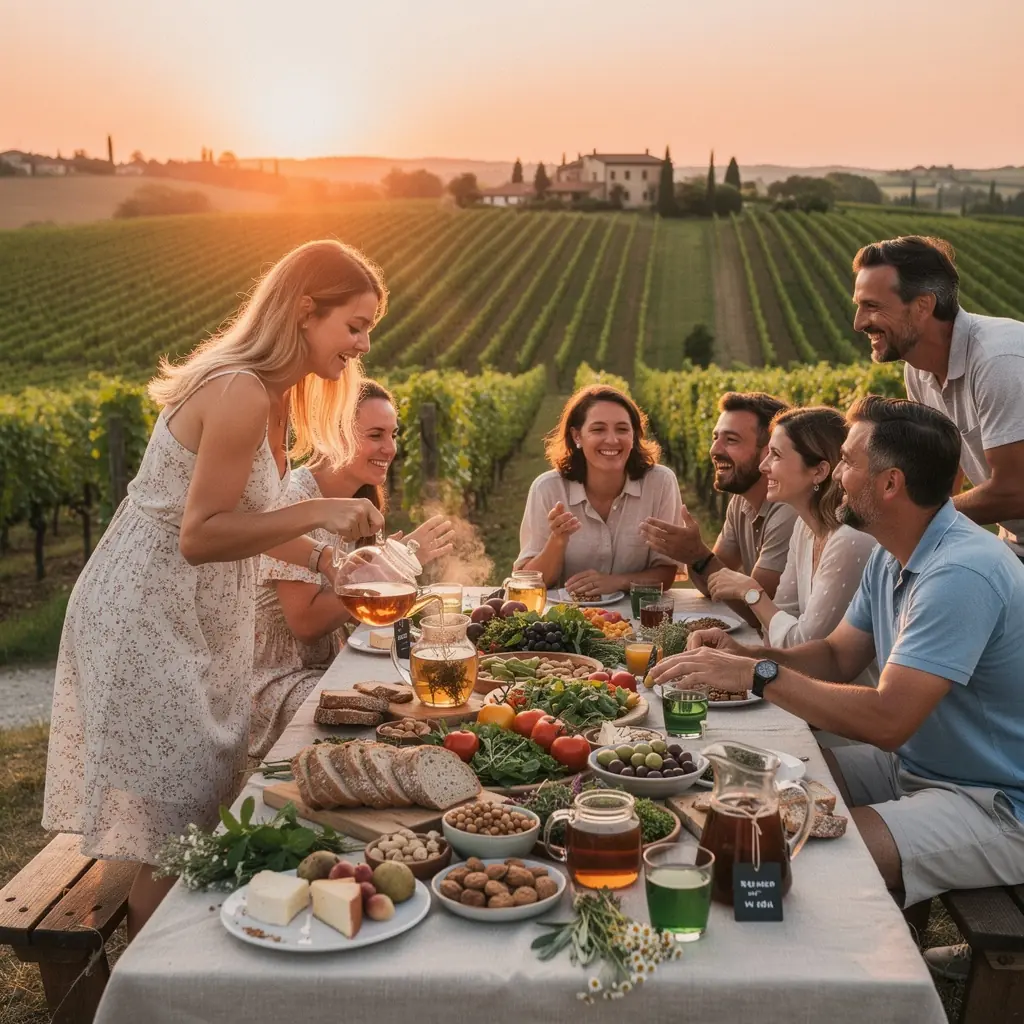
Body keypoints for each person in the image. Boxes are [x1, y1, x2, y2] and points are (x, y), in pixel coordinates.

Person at [43, 239, 389, 938]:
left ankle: (170, 971)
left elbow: (253, 523)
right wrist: (321, 514)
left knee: (200, 807)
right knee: (177, 830)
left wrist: (325, 564)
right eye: (354, 325)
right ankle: (150, 991)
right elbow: (199, 535)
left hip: (192, 610)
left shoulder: (274, 394)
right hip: (145, 612)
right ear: (303, 311)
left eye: (369, 330)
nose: (362, 344)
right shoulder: (236, 389)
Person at [648, 397, 1024, 972]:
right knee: (747, 787)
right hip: (919, 766)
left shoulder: (959, 573)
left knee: (806, 856)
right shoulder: (895, 549)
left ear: (891, 483)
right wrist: (749, 652)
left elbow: (888, 717)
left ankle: (818, 983)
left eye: (846, 461)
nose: (836, 474)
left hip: (993, 801)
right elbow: (835, 655)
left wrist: (757, 674)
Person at [249, 380, 456, 762]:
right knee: (386, 729)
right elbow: (306, 623)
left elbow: (358, 602)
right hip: (278, 678)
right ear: (333, 436)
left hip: (330, 663)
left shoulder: (360, 498)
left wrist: (386, 560)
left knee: (427, 704)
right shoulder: (298, 498)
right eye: (375, 435)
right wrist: (394, 561)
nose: (390, 448)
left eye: (392, 435)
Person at [853, 234, 1024, 562]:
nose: (859, 323)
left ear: (922, 306)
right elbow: (940, 474)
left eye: (872, 306)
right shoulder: (918, 370)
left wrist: (911, 517)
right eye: (859, 306)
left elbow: (1016, 491)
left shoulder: (997, 361)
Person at [702, 406, 878, 689]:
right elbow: (778, 628)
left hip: (841, 714)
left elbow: (801, 645)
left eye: (777, 455)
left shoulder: (849, 541)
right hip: (803, 694)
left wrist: (751, 592)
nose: (764, 466)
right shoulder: (806, 528)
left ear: (819, 471)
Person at [639, 392, 798, 614]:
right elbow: (711, 586)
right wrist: (692, 556)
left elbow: (759, 612)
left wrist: (697, 555)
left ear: (769, 451)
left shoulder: (788, 509)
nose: (715, 450)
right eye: (716, 438)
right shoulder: (740, 503)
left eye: (731, 440)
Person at [516, 385, 681, 598]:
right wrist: (557, 541)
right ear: (577, 436)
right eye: (598, 429)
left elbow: (666, 573)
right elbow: (529, 582)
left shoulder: (660, 483)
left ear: (634, 435)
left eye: (622, 429)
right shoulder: (547, 489)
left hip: (637, 617)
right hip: (563, 623)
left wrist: (616, 582)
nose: (612, 440)